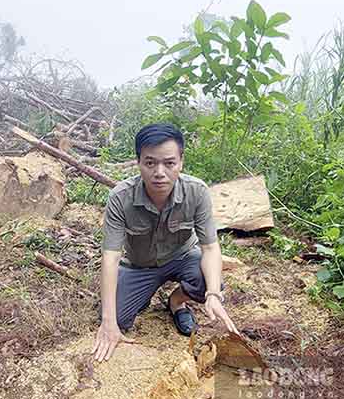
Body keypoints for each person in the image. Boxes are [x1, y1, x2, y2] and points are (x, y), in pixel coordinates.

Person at [92, 122, 239, 362]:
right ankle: (143, 291)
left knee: (208, 280)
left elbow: (210, 247)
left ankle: (177, 302)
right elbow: (111, 257)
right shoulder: (120, 197)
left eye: (169, 163)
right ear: (138, 162)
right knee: (115, 318)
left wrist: (213, 294)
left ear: (181, 162)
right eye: (150, 163)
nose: (159, 172)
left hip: (182, 258)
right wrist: (108, 323)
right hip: (140, 266)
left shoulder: (197, 192)